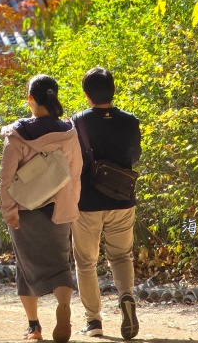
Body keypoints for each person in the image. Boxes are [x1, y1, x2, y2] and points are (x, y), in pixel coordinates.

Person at [0, 74, 83, 342]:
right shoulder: (68, 133)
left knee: (25, 267)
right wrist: (71, 205)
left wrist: (8, 210)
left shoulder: (17, 135)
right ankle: (63, 306)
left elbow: (6, 177)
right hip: (57, 210)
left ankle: (34, 326)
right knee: (60, 264)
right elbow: (75, 172)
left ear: (31, 99)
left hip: (25, 211)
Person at [71, 67, 141, 339]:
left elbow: (72, 161)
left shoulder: (78, 121)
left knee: (86, 262)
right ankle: (126, 296)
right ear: (113, 90)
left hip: (87, 201)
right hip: (122, 199)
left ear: (86, 94)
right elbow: (134, 157)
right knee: (122, 255)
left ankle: (94, 322)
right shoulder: (130, 121)